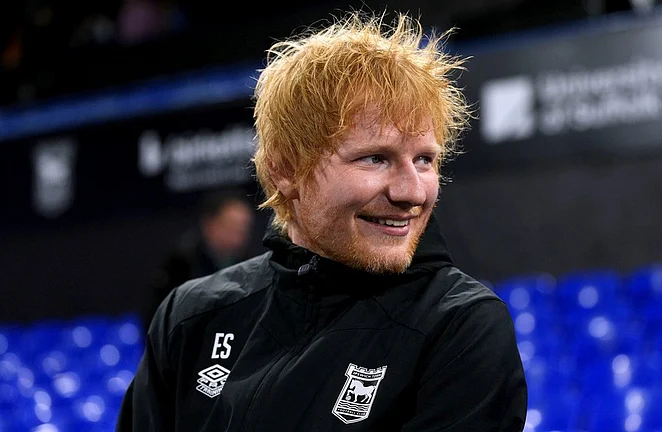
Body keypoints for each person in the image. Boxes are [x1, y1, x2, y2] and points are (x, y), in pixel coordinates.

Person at [119, 12, 527, 431]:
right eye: (376, 158)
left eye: (425, 159)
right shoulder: (190, 316)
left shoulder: (462, 328)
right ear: (287, 170)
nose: (413, 192)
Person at [142, 190, 254, 329]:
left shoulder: (254, 266)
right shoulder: (179, 266)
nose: (239, 235)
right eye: (232, 227)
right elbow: (157, 322)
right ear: (209, 225)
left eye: (244, 228)